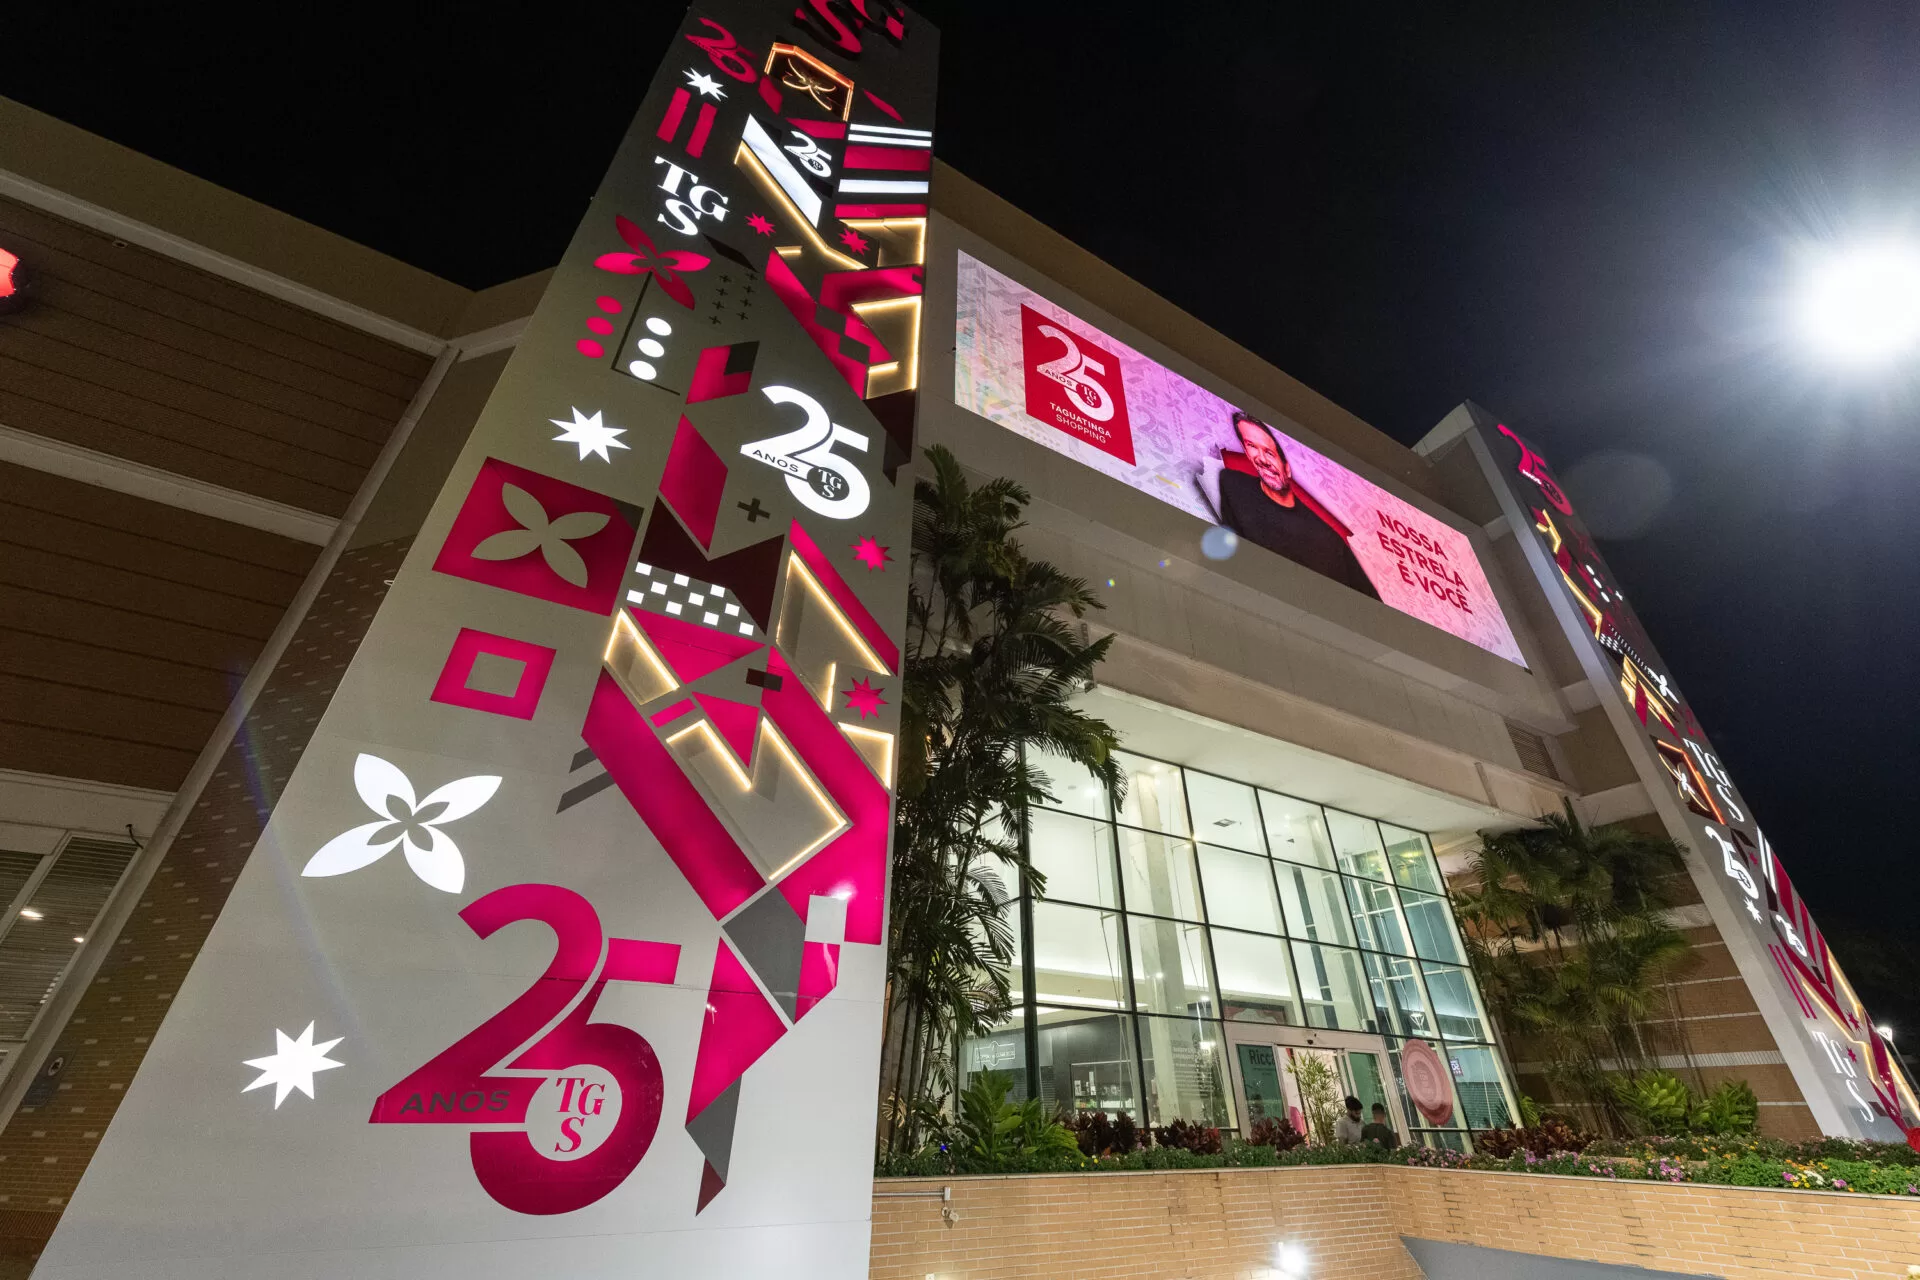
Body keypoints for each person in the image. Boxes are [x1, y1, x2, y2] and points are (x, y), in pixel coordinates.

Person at [1217, 413, 1381, 600]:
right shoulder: (1231, 483)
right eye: (1251, 446)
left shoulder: (1328, 539)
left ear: (1288, 468)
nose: (1261, 459)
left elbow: (1372, 604)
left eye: (1269, 453)